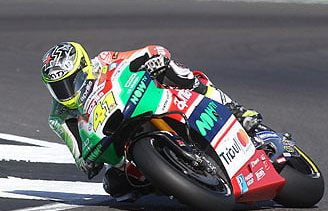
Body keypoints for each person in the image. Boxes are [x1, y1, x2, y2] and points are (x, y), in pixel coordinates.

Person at [40, 42, 262, 200]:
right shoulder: (59, 117)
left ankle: (235, 110)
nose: (65, 92)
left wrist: (155, 60)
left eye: (70, 82)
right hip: (115, 143)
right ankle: (167, 181)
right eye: (58, 87)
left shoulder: (105, 61)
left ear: (83, 68)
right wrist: (89, 162)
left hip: (142, 104)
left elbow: (149, 51)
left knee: (176, 73)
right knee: (116, 187)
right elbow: (80, 156)